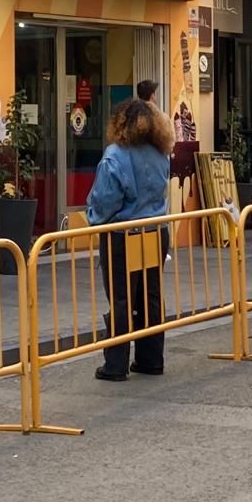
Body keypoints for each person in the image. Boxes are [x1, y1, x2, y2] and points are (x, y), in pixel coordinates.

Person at [86, 99, 174, 381]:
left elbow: (104, 202)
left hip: (122, 235)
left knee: (121, 299)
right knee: (150, 295)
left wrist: (92, 218)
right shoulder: (161, 153)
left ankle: (116, 364)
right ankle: (151, 358)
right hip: (155, 231)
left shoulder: (115, 155)